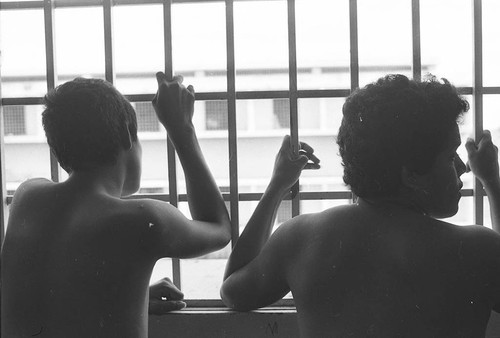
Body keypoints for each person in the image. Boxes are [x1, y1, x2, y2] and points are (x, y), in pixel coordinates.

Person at [221, 74, 500, 337]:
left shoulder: (301, 238)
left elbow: (233, 292)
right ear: (411, 174)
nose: (464, 167)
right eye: (451, 156)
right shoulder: (476, 249)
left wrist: (277, 187)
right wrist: (492, 181)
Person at [1, 72, 231, 338]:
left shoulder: (27, 198)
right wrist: (181, 129)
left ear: (60, 154)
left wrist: (123, 294)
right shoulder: (145, 218)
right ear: (125, 132)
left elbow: (51, 287)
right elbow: (220, 228)